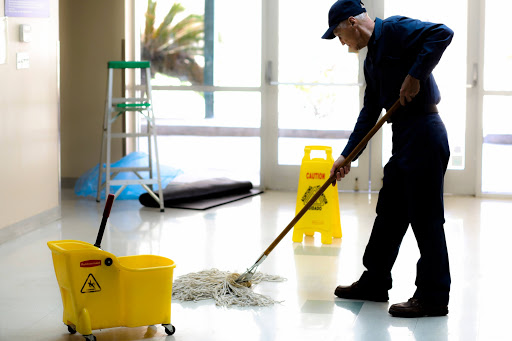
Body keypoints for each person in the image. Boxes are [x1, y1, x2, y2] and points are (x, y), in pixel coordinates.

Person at [322, 0, 454, 318]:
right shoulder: (372, 62)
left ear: (352, 23)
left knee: (426, 218)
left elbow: (442, 33)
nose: (342, 43)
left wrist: (415, 75)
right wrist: (346, 156)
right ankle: (374, 281)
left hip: (425, 131)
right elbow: (370, 112)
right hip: (405, 136)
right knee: (390, 212)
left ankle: (433, 297)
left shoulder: (395, 30)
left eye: (340, 35)